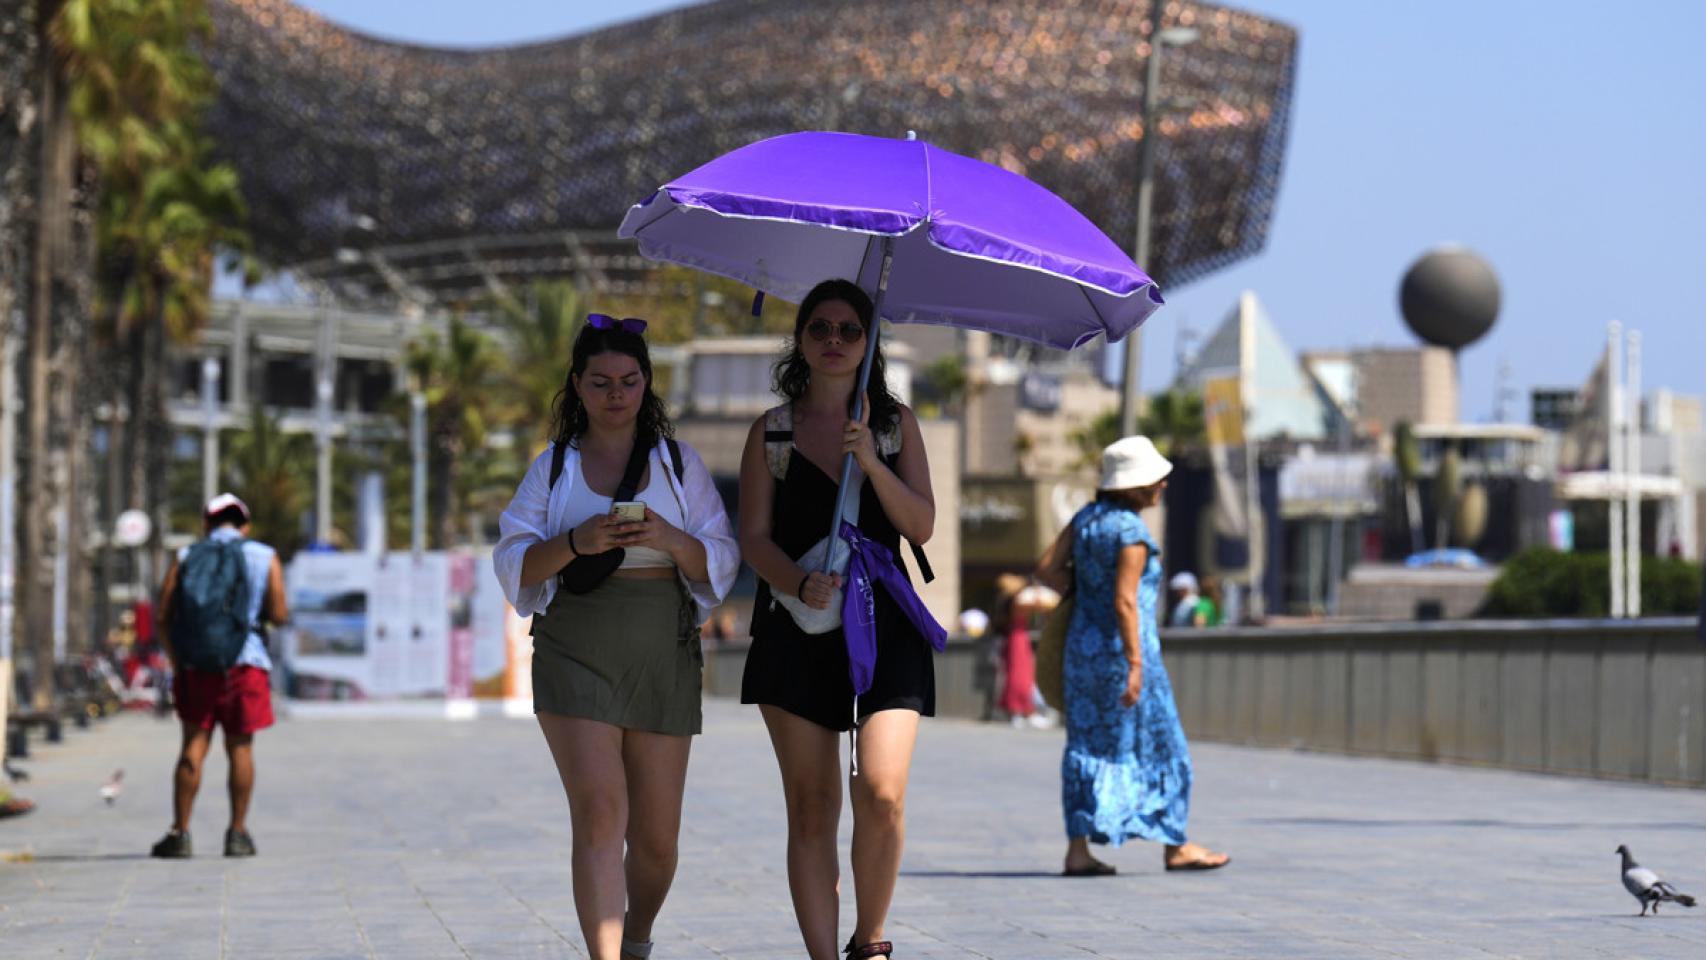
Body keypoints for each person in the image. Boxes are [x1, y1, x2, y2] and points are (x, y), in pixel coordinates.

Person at [493, 314, 738, 960]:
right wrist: (578, 541)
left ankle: (635, 938)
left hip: (662, 651)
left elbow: (721, 559)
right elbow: (514, 564)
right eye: (600, 382)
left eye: (629, 381)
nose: (616, 395)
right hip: (576, 647)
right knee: (601, 814)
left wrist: (666, 537)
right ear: (576, 386)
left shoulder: (678, 463)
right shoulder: (553, 469)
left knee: (657, 843)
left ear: (646, 384)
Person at [738, 279, 939, 960]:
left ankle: (870, 941)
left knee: (880, 791)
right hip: (796, 624)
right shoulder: (773, 431)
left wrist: (872, 466)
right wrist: (797, 581)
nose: (833, 341)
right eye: (819, 328)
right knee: (814, 806)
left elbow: (922, 525)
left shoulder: (892, 424)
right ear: (800, 338)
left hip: (887, 623)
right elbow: (753, 538)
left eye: (849, 330)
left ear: (868, 342)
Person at [1036, 437, 1229, 876]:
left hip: (1082, 653)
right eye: (1155, 481)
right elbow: (1126, 602)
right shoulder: (1131, 532)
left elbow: (1045, 569)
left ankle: (1078, 851)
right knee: (1164, 744)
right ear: (1136, 486)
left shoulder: (1086, 519)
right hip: (1126, 654)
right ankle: (1174, 845)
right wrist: (1137, 665)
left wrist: (1083, 593)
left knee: (1085, 746)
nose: (1161, 486)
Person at [151, 492, 288, 859]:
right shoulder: (263, 556)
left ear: (206, 524)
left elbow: (162, 615)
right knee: (240, 747)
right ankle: (237, 834)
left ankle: (180, 833)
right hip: (247, 665)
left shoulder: (185, 557)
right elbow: (279, 613)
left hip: (197, 665)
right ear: (245, 525)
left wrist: (178, 659)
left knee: (193, 745)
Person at [993, 574, 1038, 726]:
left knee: (1019, 673)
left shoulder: (1007, 602)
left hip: (1016, 637)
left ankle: (1019, 710)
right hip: (1018, 638)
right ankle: (1017, 709)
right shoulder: (1017, 602)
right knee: (1019, 675)